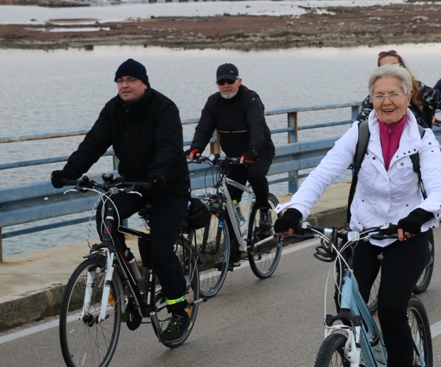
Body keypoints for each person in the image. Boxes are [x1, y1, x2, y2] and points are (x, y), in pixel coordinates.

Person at [273, 64, 441, 367]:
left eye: (393, 94)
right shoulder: (359, 133)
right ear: (370, 100)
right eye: (379, 95)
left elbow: (439, 190)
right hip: (363, 232)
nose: (386, 102)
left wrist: (418, 216)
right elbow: (322, 174)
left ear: (407, 97)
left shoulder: (424, 139)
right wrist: (294, 211)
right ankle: (363, 360)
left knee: (390, 307)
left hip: (407, 234)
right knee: (347, 310)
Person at [50, 59, 192, 343]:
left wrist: (159, 174)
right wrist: (68, 173)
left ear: (144, 82)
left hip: (167, 187)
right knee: (107, 210)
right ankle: (124, 263)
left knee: (161, 249)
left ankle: (180, 311)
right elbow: (93, 143)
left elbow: (169, 147)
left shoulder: (164, 108)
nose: (124, 85)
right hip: (133, 184)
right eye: (119, 80)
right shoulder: (113, 108)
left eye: (130, 79)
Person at [188, 63, 276, 243]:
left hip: (259, 150)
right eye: (222, 82)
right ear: (217, 84)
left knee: (256, 174)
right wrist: (196, 148)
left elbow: (256, 126)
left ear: (239, 81)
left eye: (230, 81)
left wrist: (254, 151)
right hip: (234, 157)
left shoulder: (250, 99)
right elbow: (204, 128)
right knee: (229, 201)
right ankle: (233, 251)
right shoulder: (213, 102)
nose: (226, 85)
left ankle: (264, 211)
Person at [359, 50, 441, 128]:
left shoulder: (417, 88)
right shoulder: (374, 99)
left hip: (419, 146)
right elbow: (361, 125)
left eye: (395, 66)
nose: (391, 70)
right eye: (385, 67)